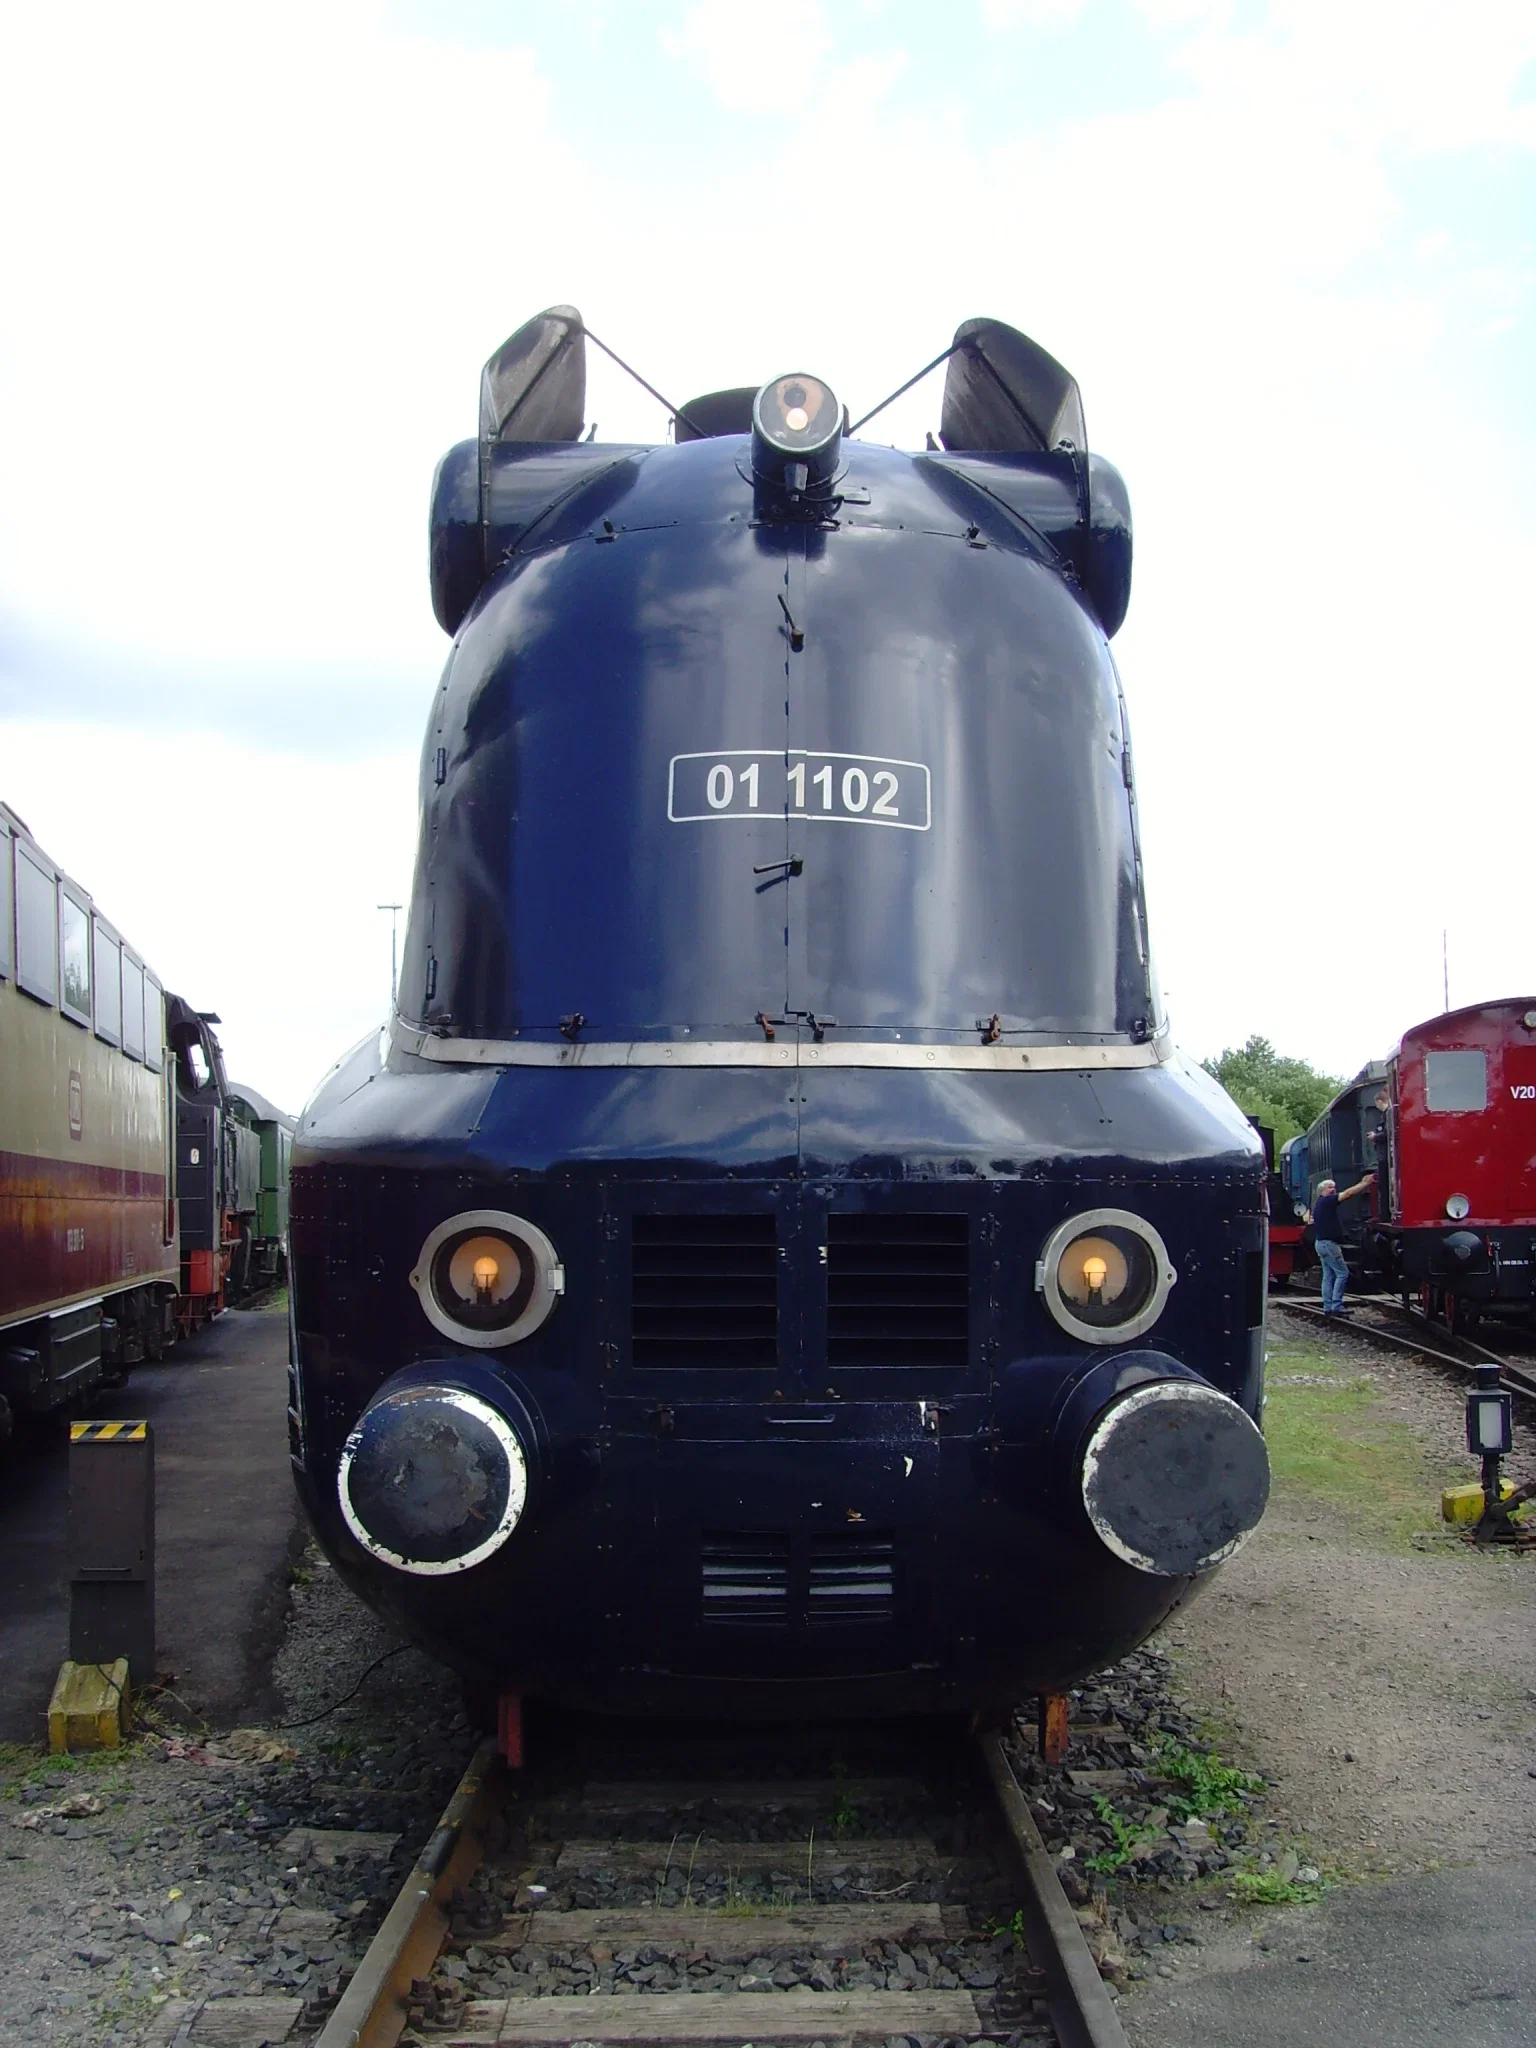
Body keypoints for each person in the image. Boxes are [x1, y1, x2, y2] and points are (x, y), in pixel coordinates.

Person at [1310, 1172, 1375, 1315]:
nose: (1332, 1190)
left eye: (1333, 1187)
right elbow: (1347, 1194)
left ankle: (1327, 1306)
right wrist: (1364, 1184)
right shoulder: (1327, 1201)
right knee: (1342, 1274)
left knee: (1328, 1275)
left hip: (1321, 1243)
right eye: (1329, 1187)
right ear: (1322, 1190)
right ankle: (1336, 1306)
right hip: (1329, 1244)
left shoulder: (1319, 1204)